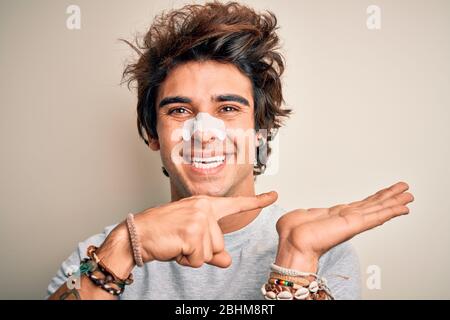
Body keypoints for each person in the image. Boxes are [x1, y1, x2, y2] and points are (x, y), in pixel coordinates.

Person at [47, 1, 414, 300]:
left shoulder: (325, 252)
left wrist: (295, 264)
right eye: (179, 110)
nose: (204, 134)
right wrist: (123, 249)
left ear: (260, 132)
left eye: (227, 109)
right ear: (152, 133)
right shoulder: (95, 256)